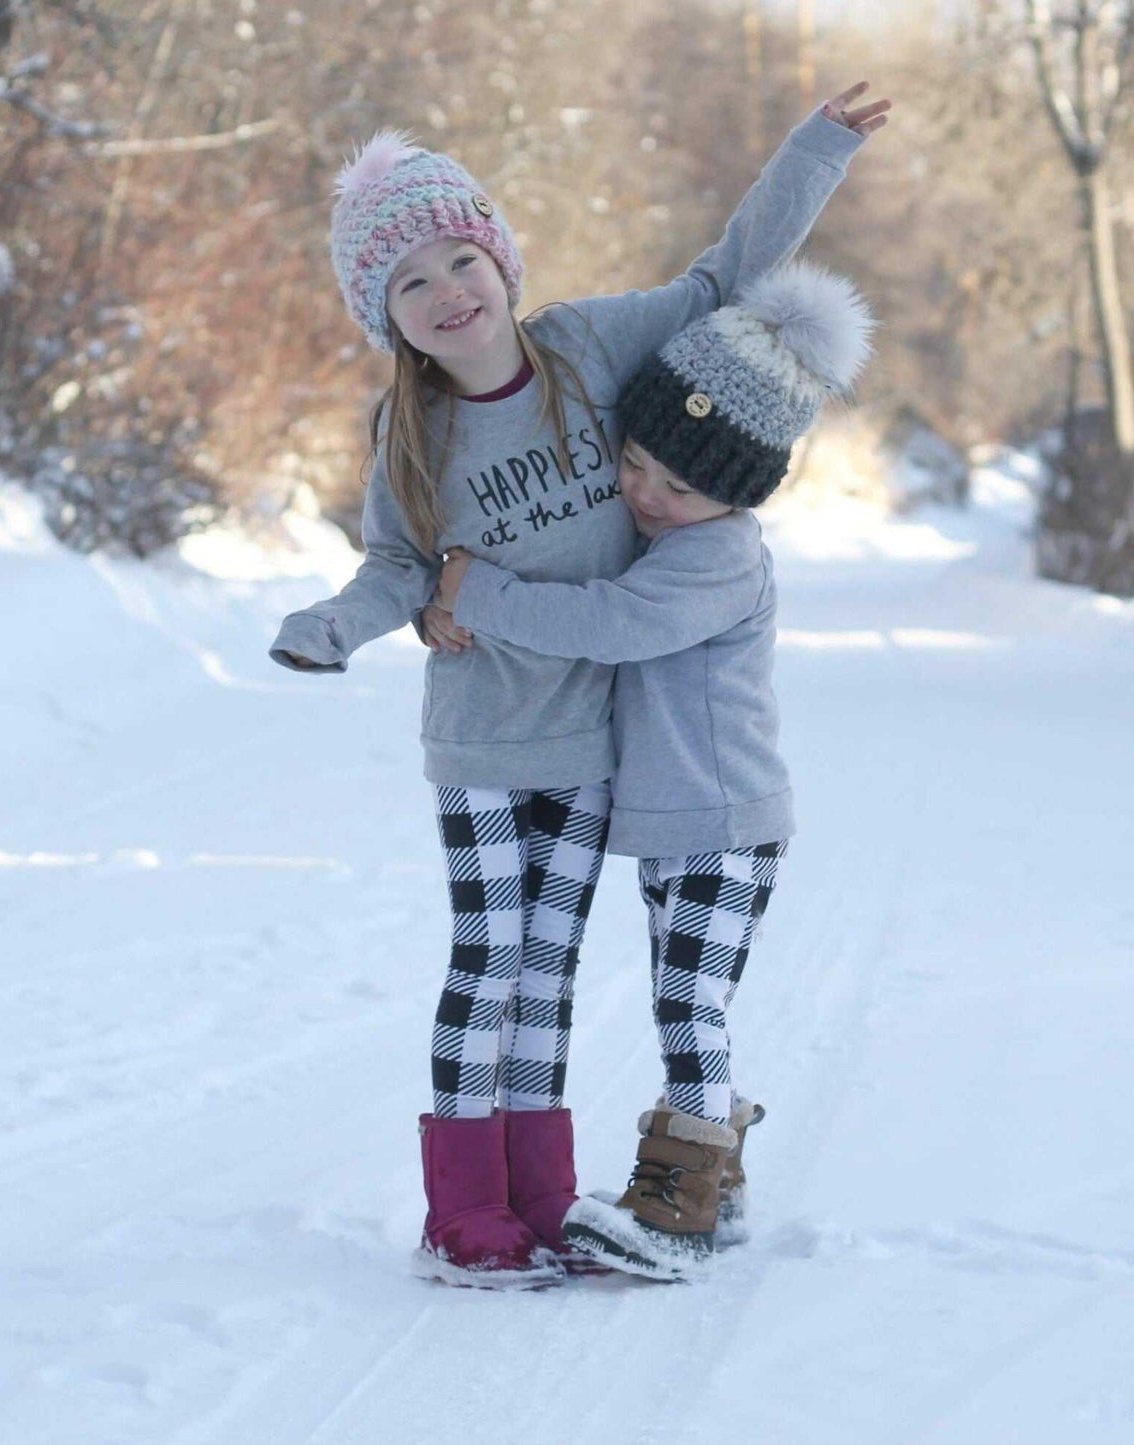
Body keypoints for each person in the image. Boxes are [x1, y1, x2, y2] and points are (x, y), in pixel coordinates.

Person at [270, 88, 890, 1290]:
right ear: (386, 319)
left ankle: (544, 1193)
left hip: (592, 742)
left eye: (462, 256)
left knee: (548, 970)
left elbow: (723, 280)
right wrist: (335, 627)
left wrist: (814, 147)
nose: (449, 290)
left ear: (499, 253)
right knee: (486, 957)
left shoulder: (589, 348)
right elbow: (402, 563)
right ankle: (464, 1205)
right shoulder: (406, 425)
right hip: (484, 735)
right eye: (410, 284)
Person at [435, 259, 875, 1279]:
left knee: (688, 1002)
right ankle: (711, 1194)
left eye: (676, 486)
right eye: (634, 464)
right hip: (681, 822)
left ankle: (676, 1203)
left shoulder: (713, 557)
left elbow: (612, 623)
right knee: (686, 998)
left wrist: (485, 593)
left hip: (722, 819)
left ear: (735, 493)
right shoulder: (672, 531)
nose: (645, 493)